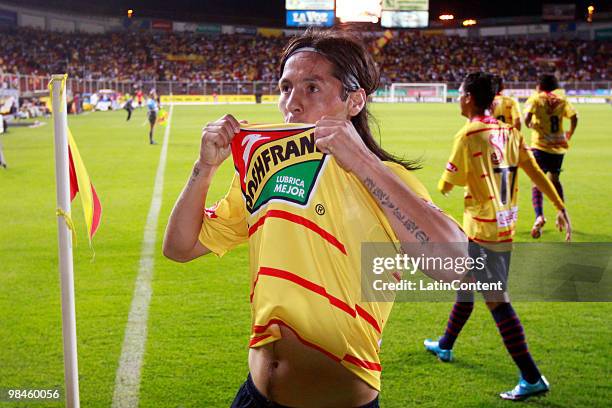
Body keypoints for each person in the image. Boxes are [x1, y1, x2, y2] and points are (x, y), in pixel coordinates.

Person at [163, 29, 466, 407]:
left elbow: (455, 264)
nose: (293, 103)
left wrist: (362, 162)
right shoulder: (264, 170)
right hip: (254, 395)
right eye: (285, 88)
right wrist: (204, 168)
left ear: (354, 101)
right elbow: (179, 247)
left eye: (311, 88)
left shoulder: (384, 178)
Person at [424, 72, 572, 401]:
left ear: (468, 98)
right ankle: (446, 345)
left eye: (460, 93)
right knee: (466, 283)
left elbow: (447, 184)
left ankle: (532, 377)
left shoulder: (468, 135)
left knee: (497, 301)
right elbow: (535, 172)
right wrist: (560, 206)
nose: (458, 98)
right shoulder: (510, 132)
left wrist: (450, 183)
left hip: (483, 229)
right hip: (503, 226)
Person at [524, 74, 578, 238]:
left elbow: (526, 118)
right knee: (554, 180)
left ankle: (539, 215)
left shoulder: (535, 99)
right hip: (558, 147)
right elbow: (575, 117)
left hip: (540, 146)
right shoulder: (562, 100)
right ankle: (561, 213)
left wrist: (530, 125)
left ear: (539, 86)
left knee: (537, 182)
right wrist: (569, 133)